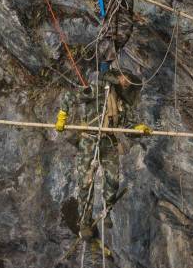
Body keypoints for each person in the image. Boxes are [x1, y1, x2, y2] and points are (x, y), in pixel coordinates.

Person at [55, 69, 147, 239]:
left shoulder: (122, 103)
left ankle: (107, 211)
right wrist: (62, 116)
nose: (127, 82)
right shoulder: (97, 90)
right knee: (85, 183)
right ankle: (84, 222)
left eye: (129, 80)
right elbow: (70, 96)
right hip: (89, 141)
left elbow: (128, 128)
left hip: (109, 142)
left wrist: (138, 130)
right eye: (125, 78)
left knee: (112, 181)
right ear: (118, 76)